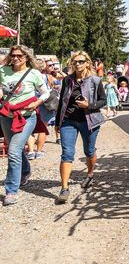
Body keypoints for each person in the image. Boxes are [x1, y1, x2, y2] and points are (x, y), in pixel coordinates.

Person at [0, 45, 50, 206]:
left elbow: (46, 92)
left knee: (13, 152)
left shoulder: (34, 74)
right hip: (6, 115)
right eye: (13, 55)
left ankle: (11, 191)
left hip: (27, 117)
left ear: (26, 57)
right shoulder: (3, 71)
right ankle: (26, 171)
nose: (15, 58)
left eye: (19, 56)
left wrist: (37, 102)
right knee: (16, 149)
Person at [54, 51, 106, 204]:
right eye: (75, 62)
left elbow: (103, 100)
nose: (77, 64)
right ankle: (64, 188)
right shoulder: (67, 80)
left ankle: (90, 174)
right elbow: (61, 102)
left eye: (81, 61)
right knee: (67, 153)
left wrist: (89, 105)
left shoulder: (95, 80)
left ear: (87, 63)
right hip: (68, 121)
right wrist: (58, 122)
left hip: (89, 121)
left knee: (89, 151)